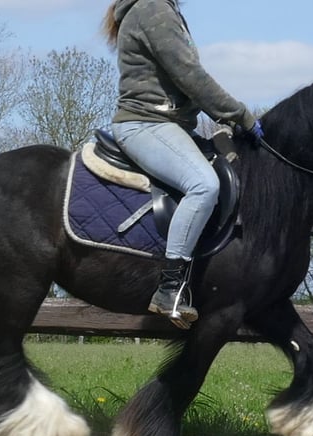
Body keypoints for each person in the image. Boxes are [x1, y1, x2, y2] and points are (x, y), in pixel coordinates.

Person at [102, 0, 263, 328]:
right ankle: (169, 289)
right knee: (203, 185)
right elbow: (190, 75)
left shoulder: (163, 9)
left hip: (170, 126)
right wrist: (240, 115)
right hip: (145, 124)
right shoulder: (153, 8)